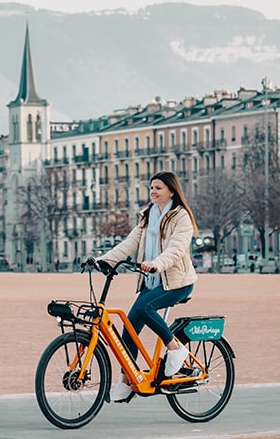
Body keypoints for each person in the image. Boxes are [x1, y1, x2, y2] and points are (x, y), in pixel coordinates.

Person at [94, 171, 198, 403]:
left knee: (145, 308)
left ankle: (176, 348)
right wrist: (105, 260)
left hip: (177, 283)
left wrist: (156, 264)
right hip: (152, 281)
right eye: (151, 187)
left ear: (171, 191)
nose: (153, 191)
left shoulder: (181, 217)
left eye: (158, 188)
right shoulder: (148, 215)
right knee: (128, 329)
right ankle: (126, 381)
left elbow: (176, 249)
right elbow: (130, 243)